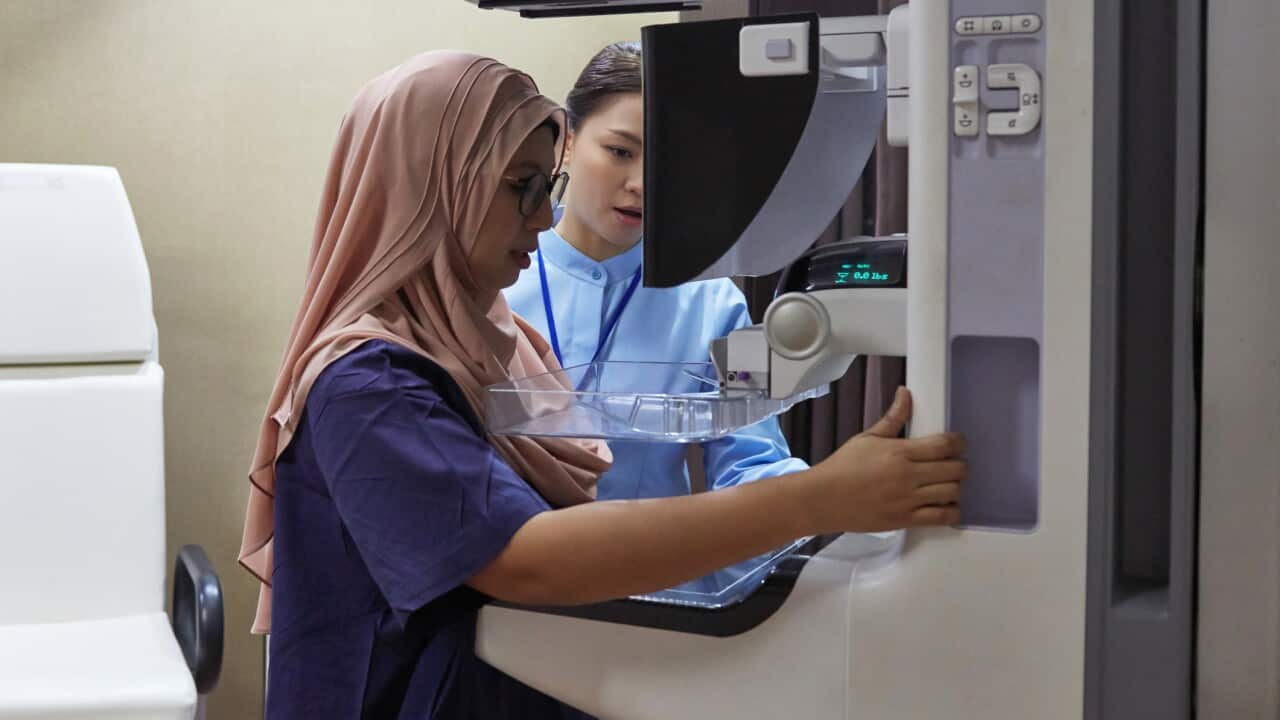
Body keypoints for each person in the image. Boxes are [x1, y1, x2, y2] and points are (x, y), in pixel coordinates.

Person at [238, 50, 965, 720]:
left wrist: (841, 524)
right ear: (435, 184)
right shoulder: (373, 381)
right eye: (522, 188)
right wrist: (821, 496)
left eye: (540, 187)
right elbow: (525, 558)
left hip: (589, 647)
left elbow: (746, 457)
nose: (543, 214)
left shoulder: (484, 332)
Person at [506, 42, 807, 511]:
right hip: (503, 570)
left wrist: (826, 499)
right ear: (565, 141)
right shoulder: (494, 277)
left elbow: (755, 458)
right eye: (621, 151)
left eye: (670, 160)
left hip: (652, 578)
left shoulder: (718, 302)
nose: (644, 182)